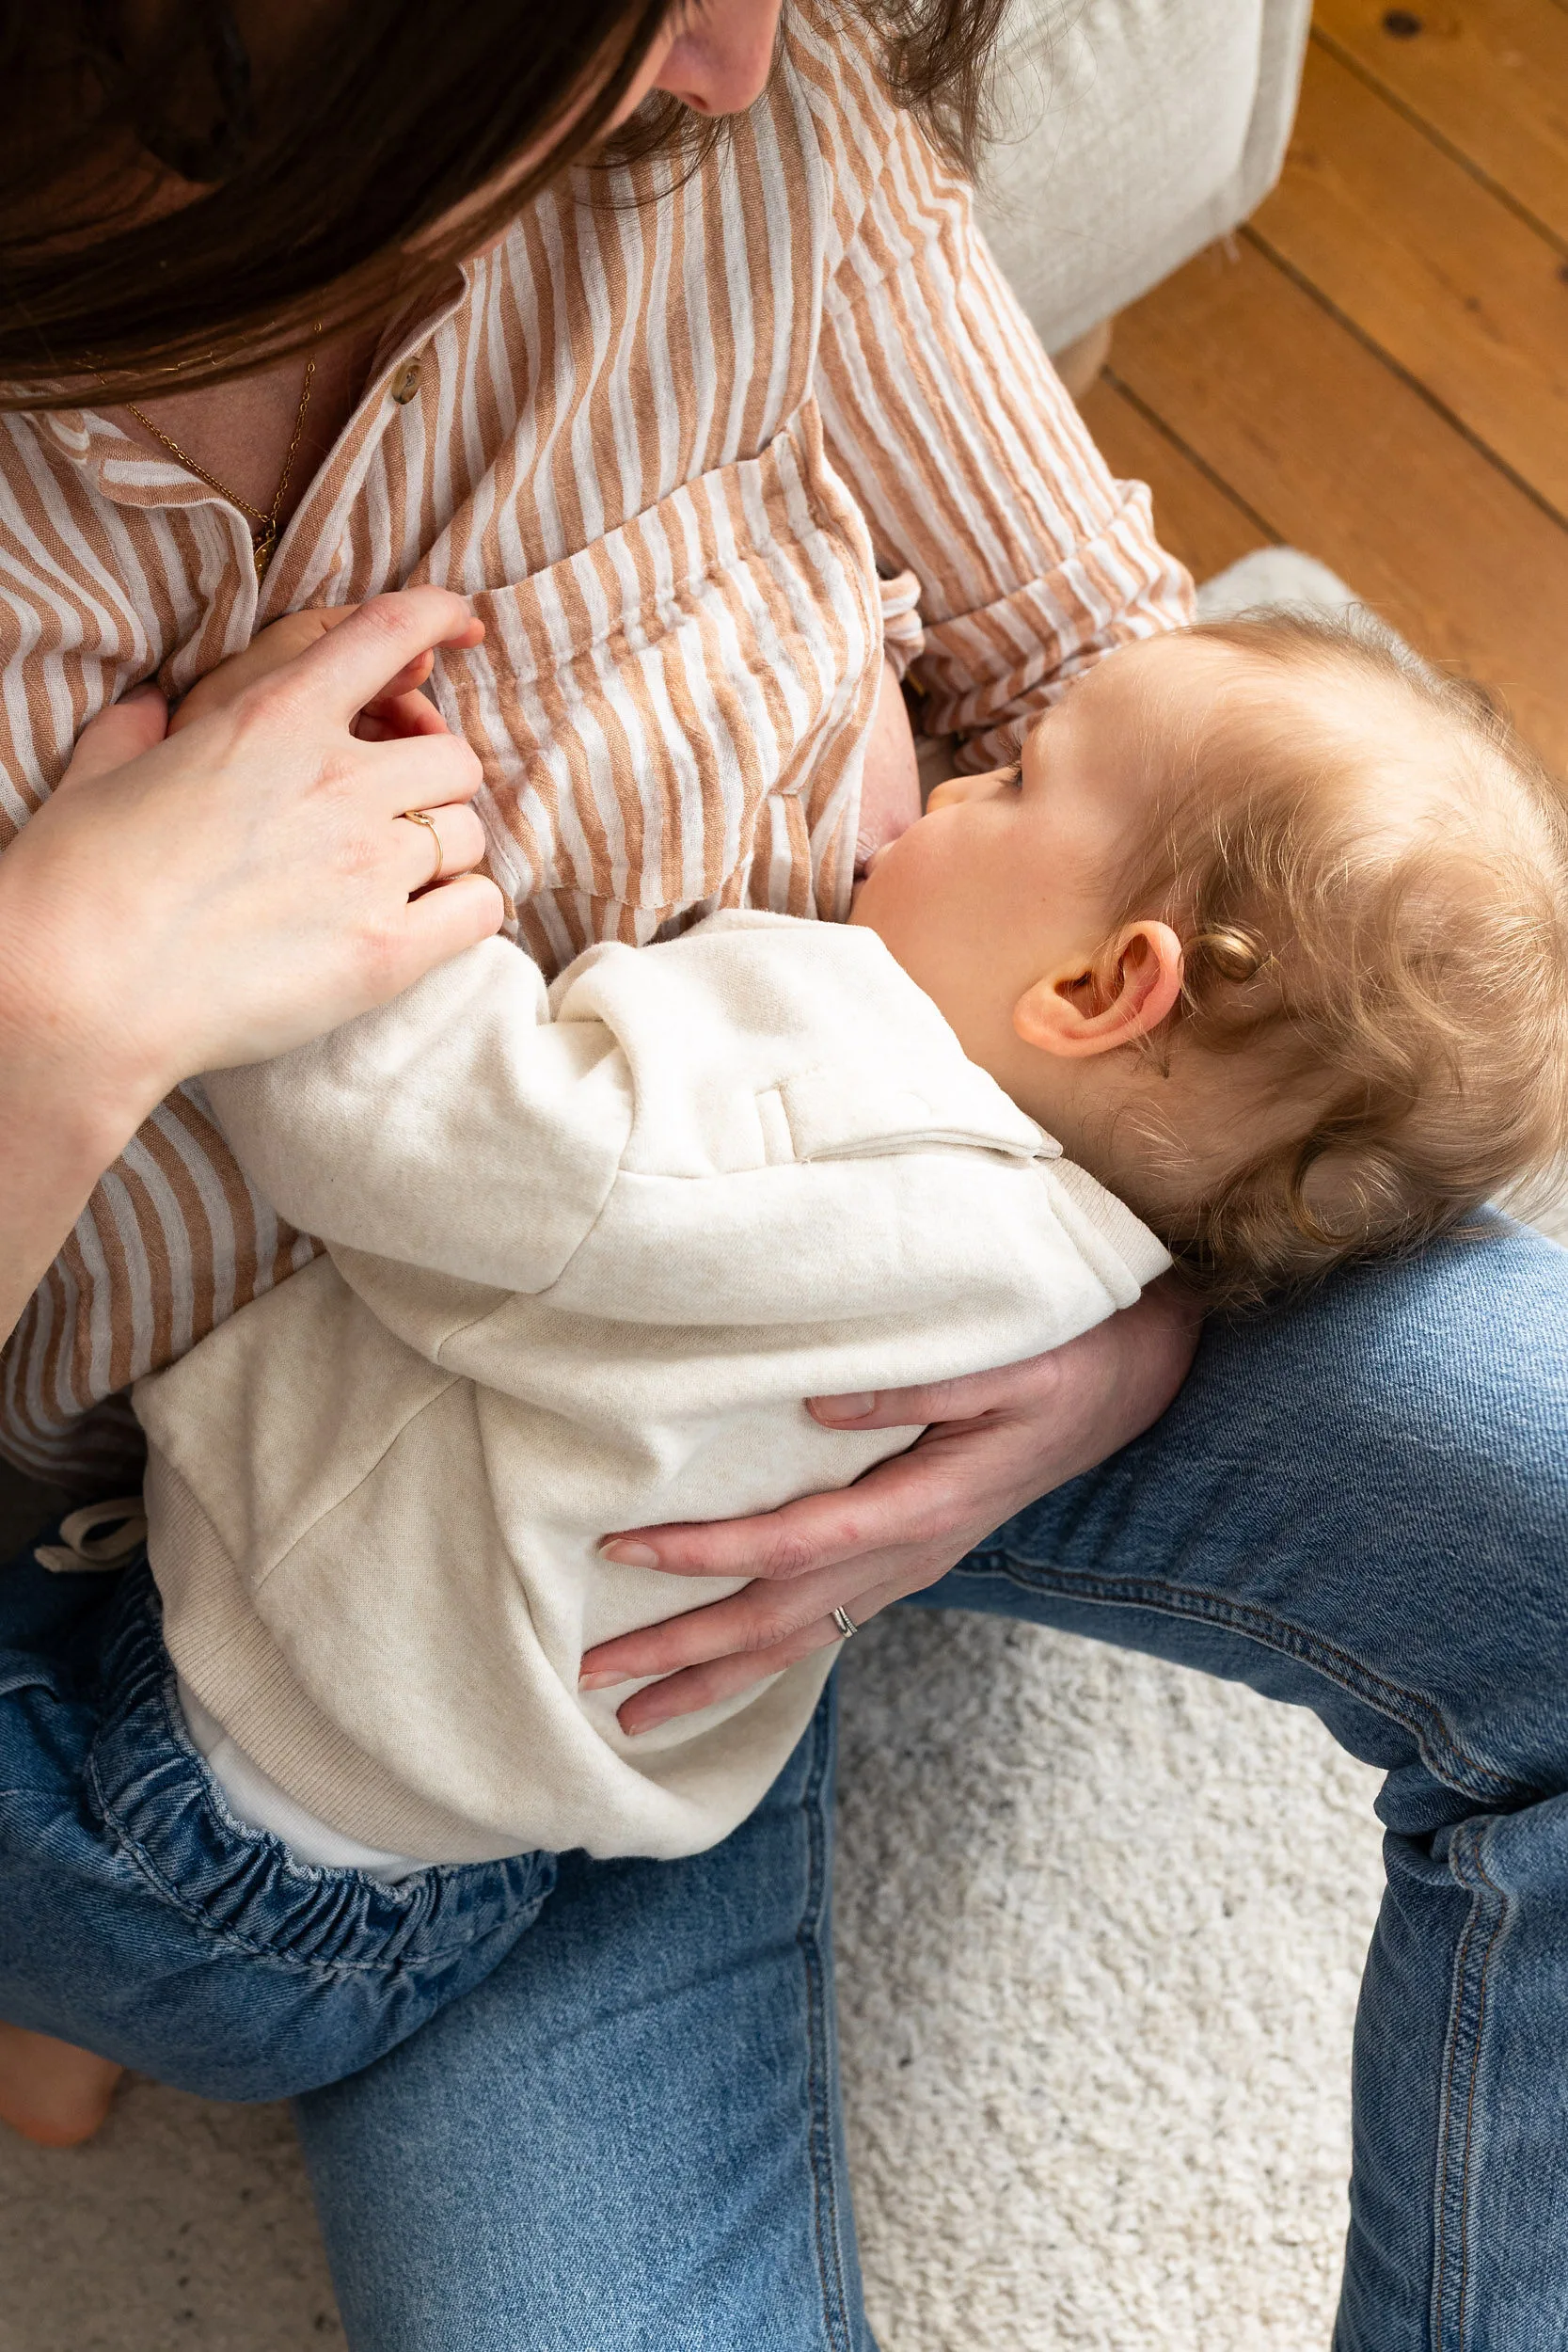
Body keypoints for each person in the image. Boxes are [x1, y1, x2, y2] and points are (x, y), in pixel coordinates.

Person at [0, 4, 1562, 2347]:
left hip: (784, 1397)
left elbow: (1131, 707)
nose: (743, 53)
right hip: (349, 1617)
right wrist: (67, 996)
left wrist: (1125, 1298)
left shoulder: (749, 100)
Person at [124, 609, 1568, 1912]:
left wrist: (335, 860)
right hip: (477, 1836)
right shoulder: (1072, 1259)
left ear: (1093, 988)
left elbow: (417, 1128)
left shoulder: (809, 1121)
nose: (948, 784)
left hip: (226, 1761)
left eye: (1012, 787)